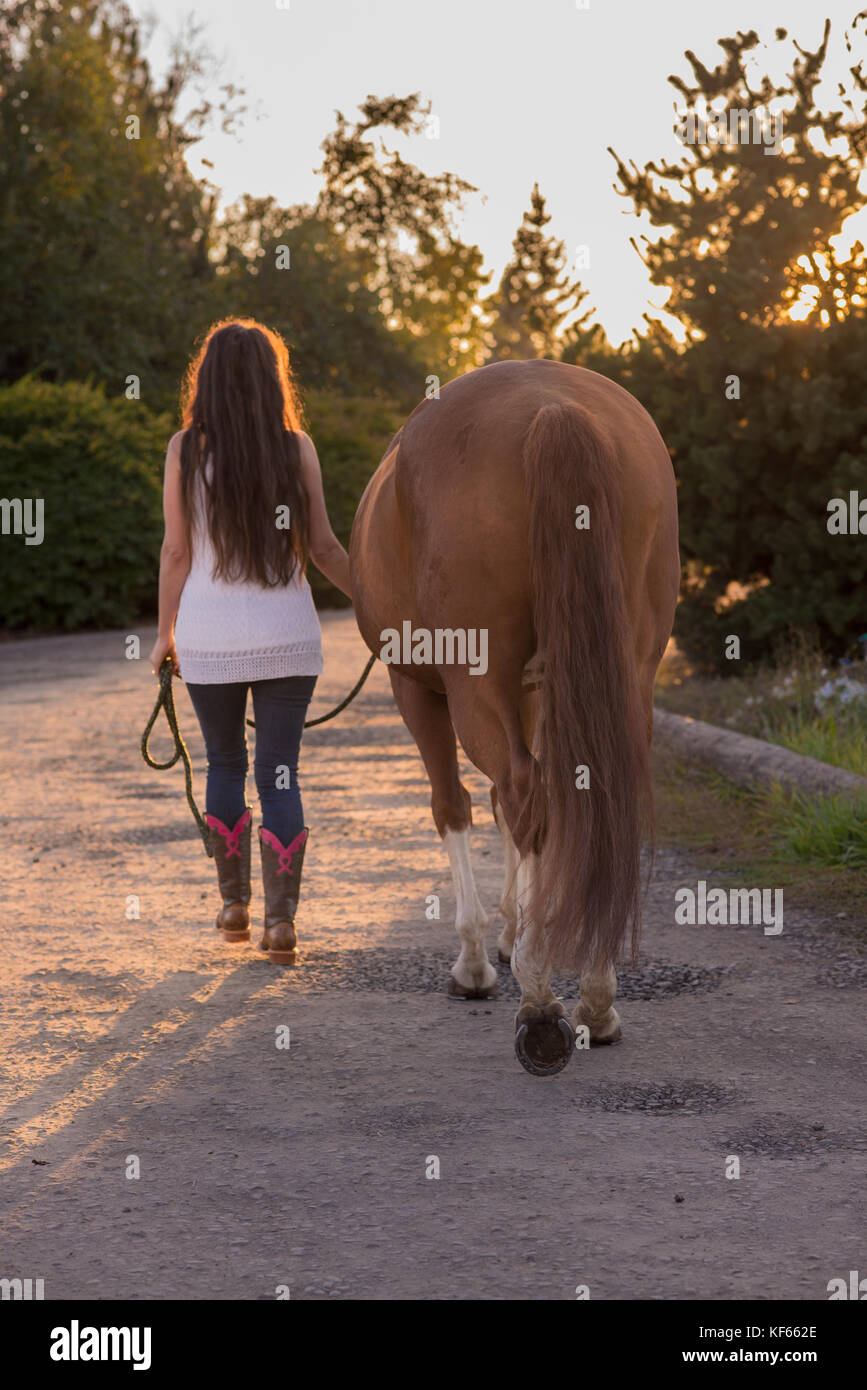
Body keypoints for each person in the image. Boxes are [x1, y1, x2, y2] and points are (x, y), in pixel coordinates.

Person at [148, 318, 351, 963]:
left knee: (225, 765)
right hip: (288, 639)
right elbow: (323, 549)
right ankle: (281, 924)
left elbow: (177, 551)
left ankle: (234, 907)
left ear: (206, 380)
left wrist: (163, 637)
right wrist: (378, 603)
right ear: (272, 380)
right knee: (279, 772)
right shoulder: (296, 448)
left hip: (210, 642)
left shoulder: (185, 450)